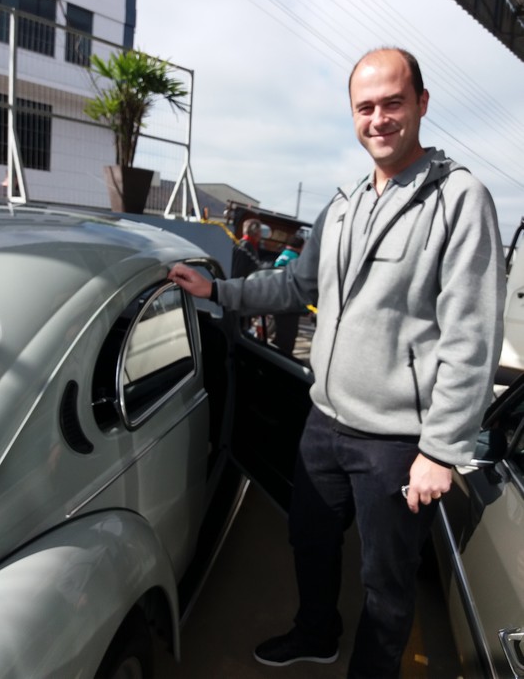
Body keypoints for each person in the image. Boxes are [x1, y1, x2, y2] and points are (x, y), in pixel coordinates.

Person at [168, 47, 506, 678]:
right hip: (324, 420)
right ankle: (316, 632)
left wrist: (440, 449)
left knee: (385, 580)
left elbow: (472, 335)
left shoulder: (460, 200)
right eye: (365, 106)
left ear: (422, 104)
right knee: (310, 539)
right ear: (353, 115)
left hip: (397, 441)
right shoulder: (345, 203)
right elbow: (297, 284)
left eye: (393, 103)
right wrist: (218, 291)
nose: (378, 118)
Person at [272, 234, 306, 355]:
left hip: (277, 300)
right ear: (300, 247)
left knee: (280, 334)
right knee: (288, 338)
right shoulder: (296, 259)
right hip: (289, 304)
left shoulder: (283, 256)